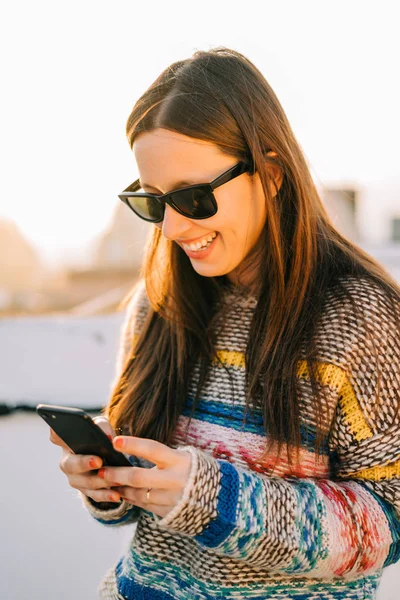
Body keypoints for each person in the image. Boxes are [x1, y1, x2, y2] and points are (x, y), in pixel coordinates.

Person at [50, 47, 400, 599]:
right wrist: (109, 479)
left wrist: (213, 498)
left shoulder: (361, 318)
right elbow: (133, 515)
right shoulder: (155, 305)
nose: (171, 226)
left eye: (192, 197)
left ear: (273, 174)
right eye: (153, 202)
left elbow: (389, 525)